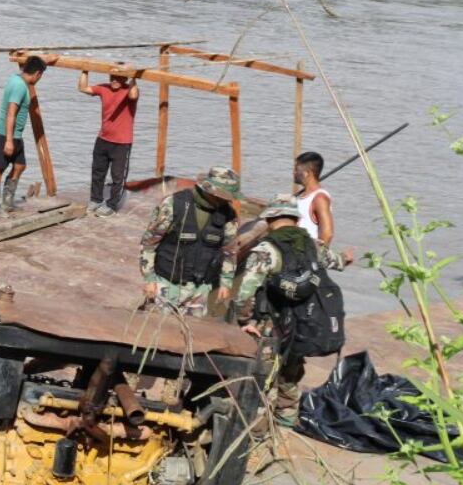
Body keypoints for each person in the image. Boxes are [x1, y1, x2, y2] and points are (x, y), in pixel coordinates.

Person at [236, 197, 351, 430]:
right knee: (291, 373)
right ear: (297, 221)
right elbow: (336, 261)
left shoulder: (266, 250)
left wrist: (245, 321)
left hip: (271, 323)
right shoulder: (312, 245)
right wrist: (347, 258)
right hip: (301, 324)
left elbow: (245, 291)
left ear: (269, 220)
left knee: (262, 374)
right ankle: (287, 423)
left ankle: (256, 431)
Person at [140, 167, 241, 318]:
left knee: (192, 335)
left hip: (199, 289)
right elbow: (149, 243)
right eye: (221, 196)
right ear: (208, 189)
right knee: (155, 329)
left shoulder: (228, 215)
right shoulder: (173, 204)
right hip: (166, 283)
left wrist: (226, 283)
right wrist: (149, 279)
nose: (224, 200)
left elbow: (230, 252)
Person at [0, 55, 46, 214]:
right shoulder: (20, 86)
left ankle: (7, 202)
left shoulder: (16, 78)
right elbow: (11, 113)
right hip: (5, 133)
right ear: (37, 74)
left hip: (15, 135)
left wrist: (49, 59)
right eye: (41, 75)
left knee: (20, 165)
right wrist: (8, 140)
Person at [78, 69, 139, 215]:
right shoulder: (104, 88)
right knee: (97, 172)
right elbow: (83, 88)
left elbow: (134, 94)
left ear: (124, 79)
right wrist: (85, 70)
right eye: (112, 77)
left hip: (122, 142)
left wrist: (134, 78)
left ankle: (112, 205)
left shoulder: (128, 90)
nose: (114, 80)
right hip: (103, 138)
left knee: (118, 176)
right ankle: (96, 199)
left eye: (118, 78)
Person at [294, 151, 337, 247]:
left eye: (296, 169)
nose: (294, 172)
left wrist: (315, 257)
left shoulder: (319, 198)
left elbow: (327, 235)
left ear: (306, 173)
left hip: (306, 257)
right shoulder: (300, 196)